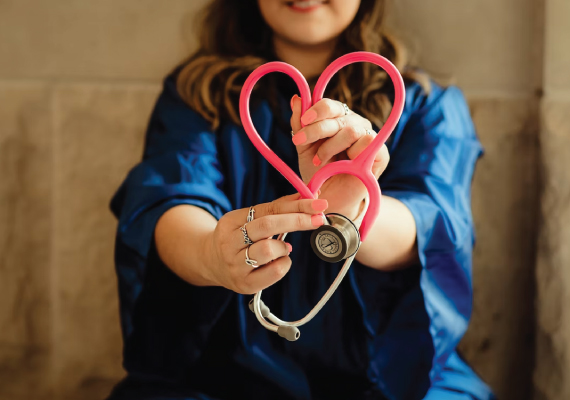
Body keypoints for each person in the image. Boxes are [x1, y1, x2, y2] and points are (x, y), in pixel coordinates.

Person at [107, 0, 496, 399]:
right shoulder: (196, 95)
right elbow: (170, 199)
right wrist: (211, 254)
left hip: (394, 376)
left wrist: (350, 210)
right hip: (221, 374)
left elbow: (431, 225)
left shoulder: (427, 105)